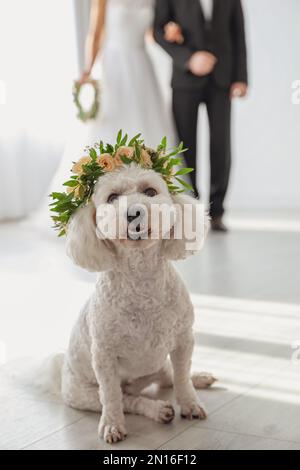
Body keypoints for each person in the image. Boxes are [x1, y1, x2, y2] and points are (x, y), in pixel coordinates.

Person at [51, 0, 176, 191]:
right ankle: (100, 190)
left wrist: (170, 33)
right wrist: (88, 70)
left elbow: (151, 34)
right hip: (113, 66)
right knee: (108, 126)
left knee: (146, 126)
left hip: (142, 67)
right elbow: (96, 32)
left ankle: (149, 189)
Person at [154, 0, 248, 231]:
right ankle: (190, 208)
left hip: (222, 79)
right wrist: (188, 59)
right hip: (185, 79)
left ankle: (216, 212)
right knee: (184, 147)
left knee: (221, 145)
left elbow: (238, 33)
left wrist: (241, 77)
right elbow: (157, 30)